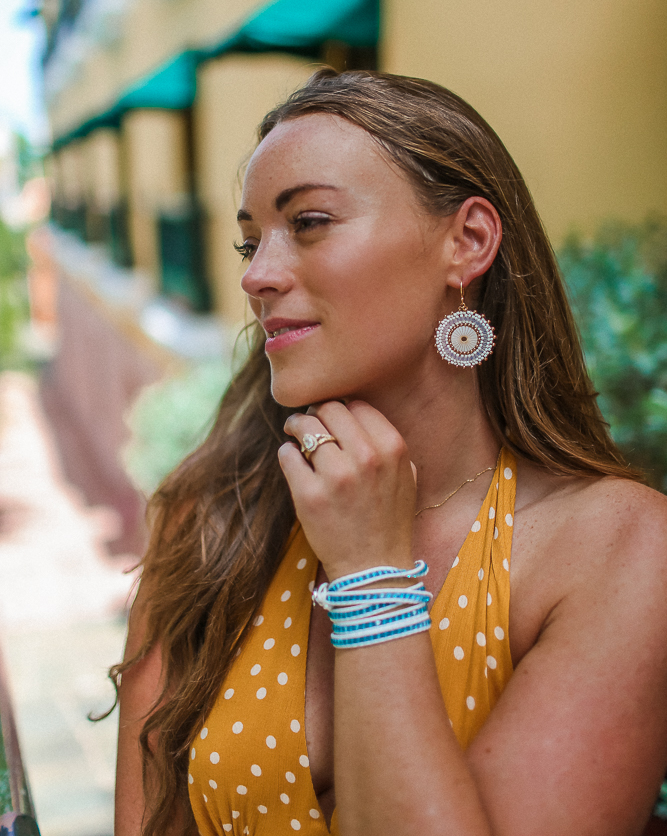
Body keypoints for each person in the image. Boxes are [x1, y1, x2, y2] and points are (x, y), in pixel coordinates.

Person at [114, 69, 667, 836]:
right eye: (249, 240)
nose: (256, 274)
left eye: (308, 221)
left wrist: (371, 577)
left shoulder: (616, 549)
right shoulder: (208, 522)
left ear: (466, 241)